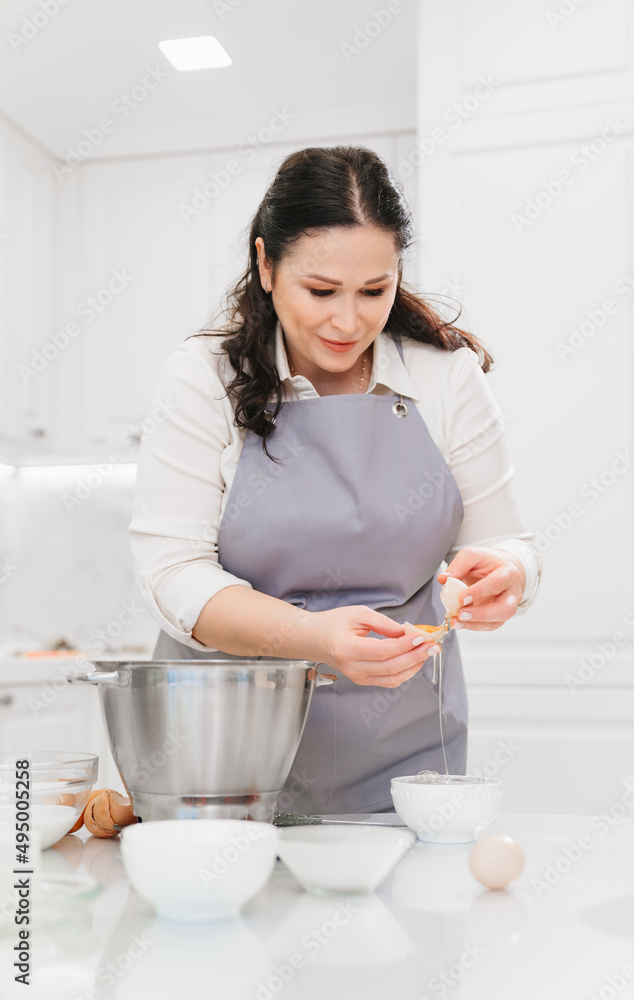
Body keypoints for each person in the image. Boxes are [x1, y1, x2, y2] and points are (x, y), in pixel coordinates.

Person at [128, 145, 543, 816]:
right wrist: (315, 640)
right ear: (265, 265)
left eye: (373, 291)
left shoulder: (444, 377)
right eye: (320, 291)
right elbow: (172, 573)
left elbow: (508, 541)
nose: (347, 322)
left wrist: (505, 575)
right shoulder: (203, 377)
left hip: (398, 755)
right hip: (219, 748)